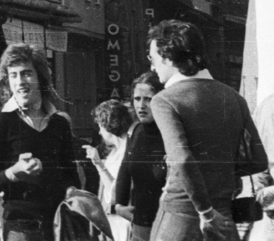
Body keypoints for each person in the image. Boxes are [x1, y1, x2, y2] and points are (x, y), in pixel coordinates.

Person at [146, 19, 268, 241]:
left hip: (181, 217)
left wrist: (205, 212)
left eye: (153, 59)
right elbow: (258, 160)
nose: (152, 67)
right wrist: (218, 170)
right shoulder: (233, 98)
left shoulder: (165, 100)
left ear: (168, 57)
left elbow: (182, 160)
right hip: (224, 215)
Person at [0, 43, 81, 241]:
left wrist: (71, 190)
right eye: (13, 75)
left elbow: (71, 176)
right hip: (21, 229)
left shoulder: (59, 123)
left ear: (40, 77)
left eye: (26, 73)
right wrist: (14, 171)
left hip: (59, 226)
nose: (20, 82)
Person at [114, 72, 166, 241]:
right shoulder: (134, 131)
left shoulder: (171, 132)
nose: (141, 105)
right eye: (137, 99)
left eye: (148, 99)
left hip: (169, 225)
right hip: (140, 224)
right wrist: (119, 205)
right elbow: (125, 168)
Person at [84, 99, 135, 241]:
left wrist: (98, 164)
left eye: (100, 126)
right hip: (114, 222)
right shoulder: (116, 151)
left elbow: (116, 194)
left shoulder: (128, 151)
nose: (100, 132)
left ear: (108, 124)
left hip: (124, 223)